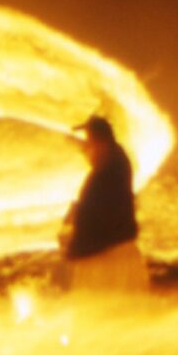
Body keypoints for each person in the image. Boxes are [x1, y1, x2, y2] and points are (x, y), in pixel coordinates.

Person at [59, 114, 149, 293]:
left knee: (106, 312)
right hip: (107, 255)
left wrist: (75, 217)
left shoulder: (108, 173)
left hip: (107, 260)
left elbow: (97, 216)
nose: (87, 148)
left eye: (90, 142)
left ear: (101, 143)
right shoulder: (114, 163)